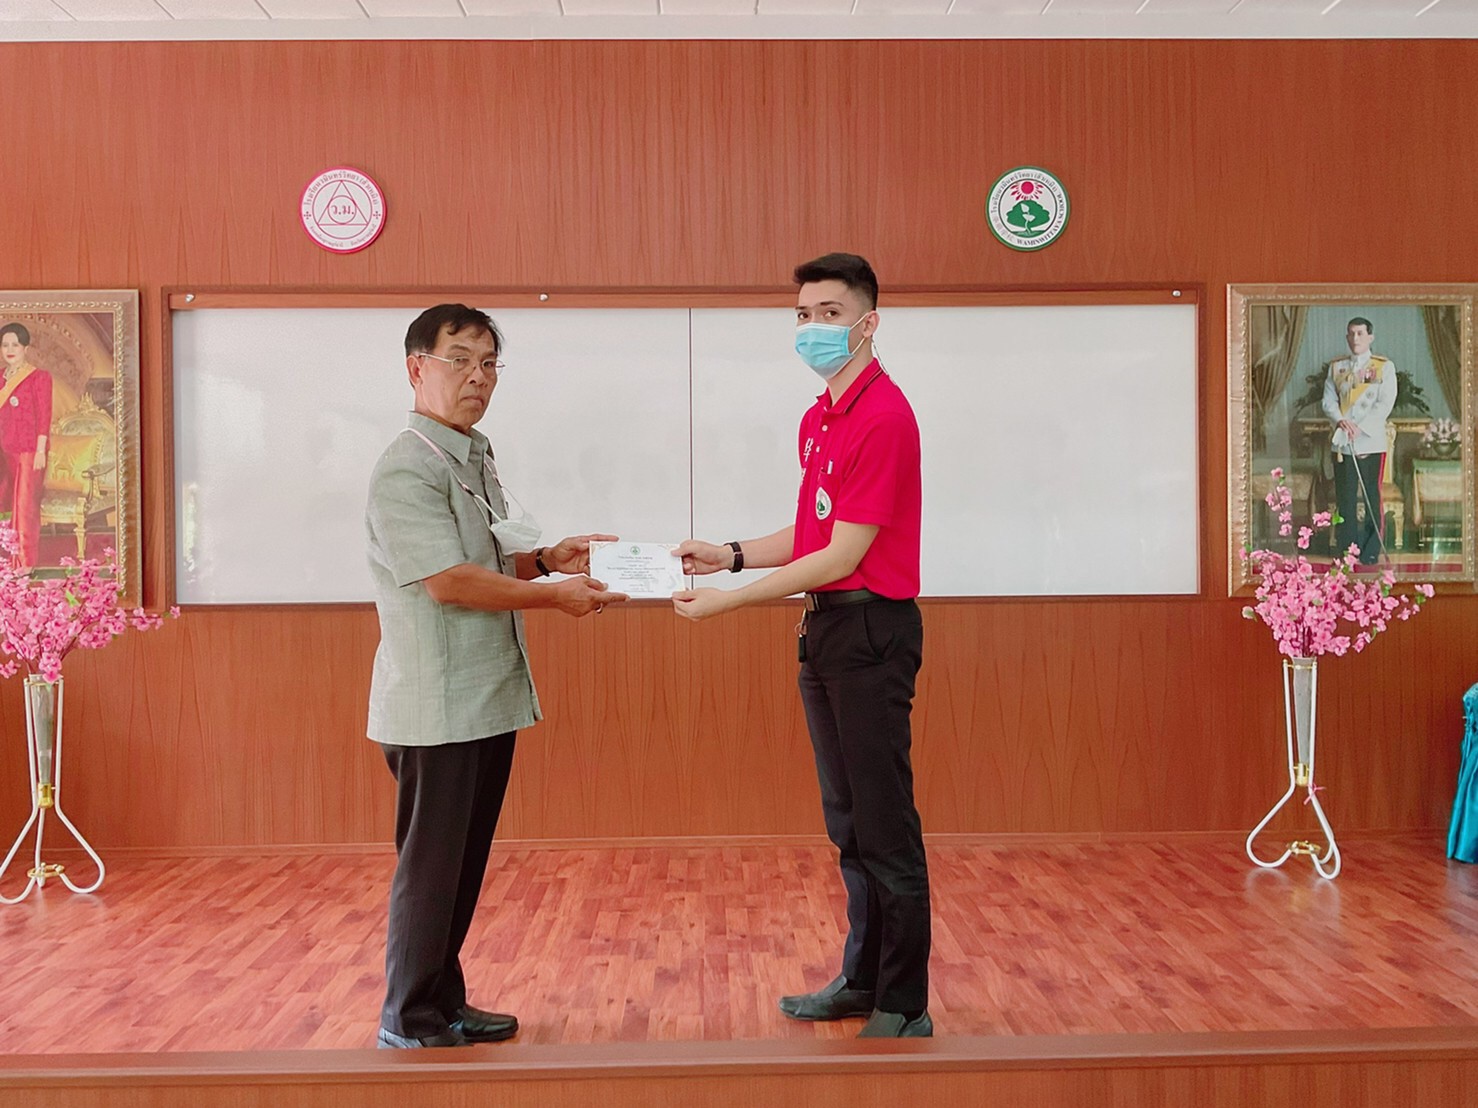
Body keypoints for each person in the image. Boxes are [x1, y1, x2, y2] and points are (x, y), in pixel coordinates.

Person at [673, 254, 931, 1038]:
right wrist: (730, 554)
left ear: (868, 323)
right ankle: (862, 978)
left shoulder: (884, 416)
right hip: (826, 629)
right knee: (848, 822)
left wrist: (729, 604)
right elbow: (814, 533)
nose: (812, 328)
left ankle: (904, 1003)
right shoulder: (821, 418)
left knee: (884, 824)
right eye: (803, 315)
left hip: (870, 630)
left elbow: (844, 555)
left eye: (829, 314)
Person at [366, 303, 627, 1049]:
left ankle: (444, 1002)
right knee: (431, 868)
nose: (476, 377)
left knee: (460, 864)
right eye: (459, 360)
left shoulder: (471, 452)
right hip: (438, 703)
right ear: (416, 368)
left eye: (488, 364)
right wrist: (554, 596)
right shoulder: (407, 466)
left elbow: (481, 560)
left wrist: (546, 560)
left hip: (482, 697)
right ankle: (407, 1018)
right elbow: (447, 581)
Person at [1320, 316, 1398, 565]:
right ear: (1347, 337)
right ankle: (1348, 549)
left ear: (1370, 337)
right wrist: (1341, 421)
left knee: (1372, 496)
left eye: (1361, 333)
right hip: (1343, 443)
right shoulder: (1337, 368)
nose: (1356, 338)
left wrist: (1360, 428)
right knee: (1345, 498)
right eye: (1351, 333)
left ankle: (1371, 549)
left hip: (1370, 442)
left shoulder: (1384, 367)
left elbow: (1385, 403)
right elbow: (1328, 401)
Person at [0, 323, 53, 567]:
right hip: (5, 450)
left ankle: (24, 562)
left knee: (24, 506)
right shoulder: (0, 377)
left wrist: (41, 450)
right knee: (7, 503)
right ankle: (8, 557)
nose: (10, 350)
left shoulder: (39, 377)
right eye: (5, 345)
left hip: (30, 451)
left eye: (15, 345)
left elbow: (44, 415)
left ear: (26, 348)